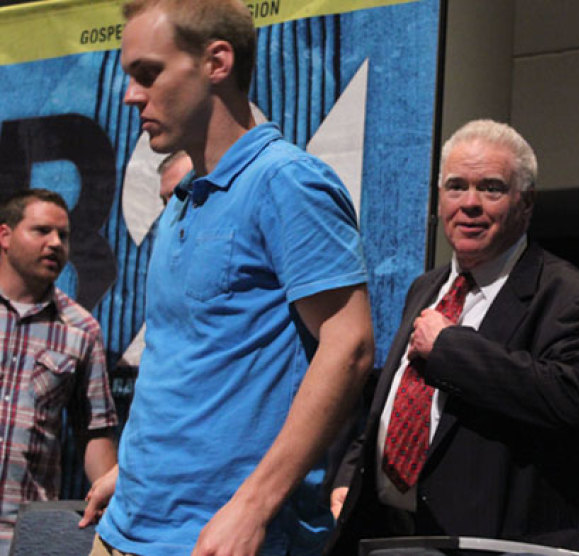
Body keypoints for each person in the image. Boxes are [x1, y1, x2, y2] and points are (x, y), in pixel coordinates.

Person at [81, 0, 375, 555]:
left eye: (148, 74)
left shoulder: (287, 182)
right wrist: (139, 471)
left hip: (220, 538)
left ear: (217, 62)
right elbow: (190, 360)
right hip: (128, 525)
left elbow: (351, 346)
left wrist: (254, 504)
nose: (130, 95)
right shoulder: (183, 201)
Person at [326, 119, 579, 555]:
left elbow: (567, 398)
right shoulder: (425, 288)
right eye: (456, 187)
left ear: (526, 203)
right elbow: (393, 400)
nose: (470, 204)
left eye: (492, 188)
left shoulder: (572, 297)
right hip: (392, 537)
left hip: (495, 544)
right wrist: (352, 476)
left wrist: (449, 349)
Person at [0, 188, 117, 555]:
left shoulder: (81, 330)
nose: (54, 243)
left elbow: (95, 430)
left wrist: (113, 519)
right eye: (41, 231)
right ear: (5, 235)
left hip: (20, 537)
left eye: (63, 236)